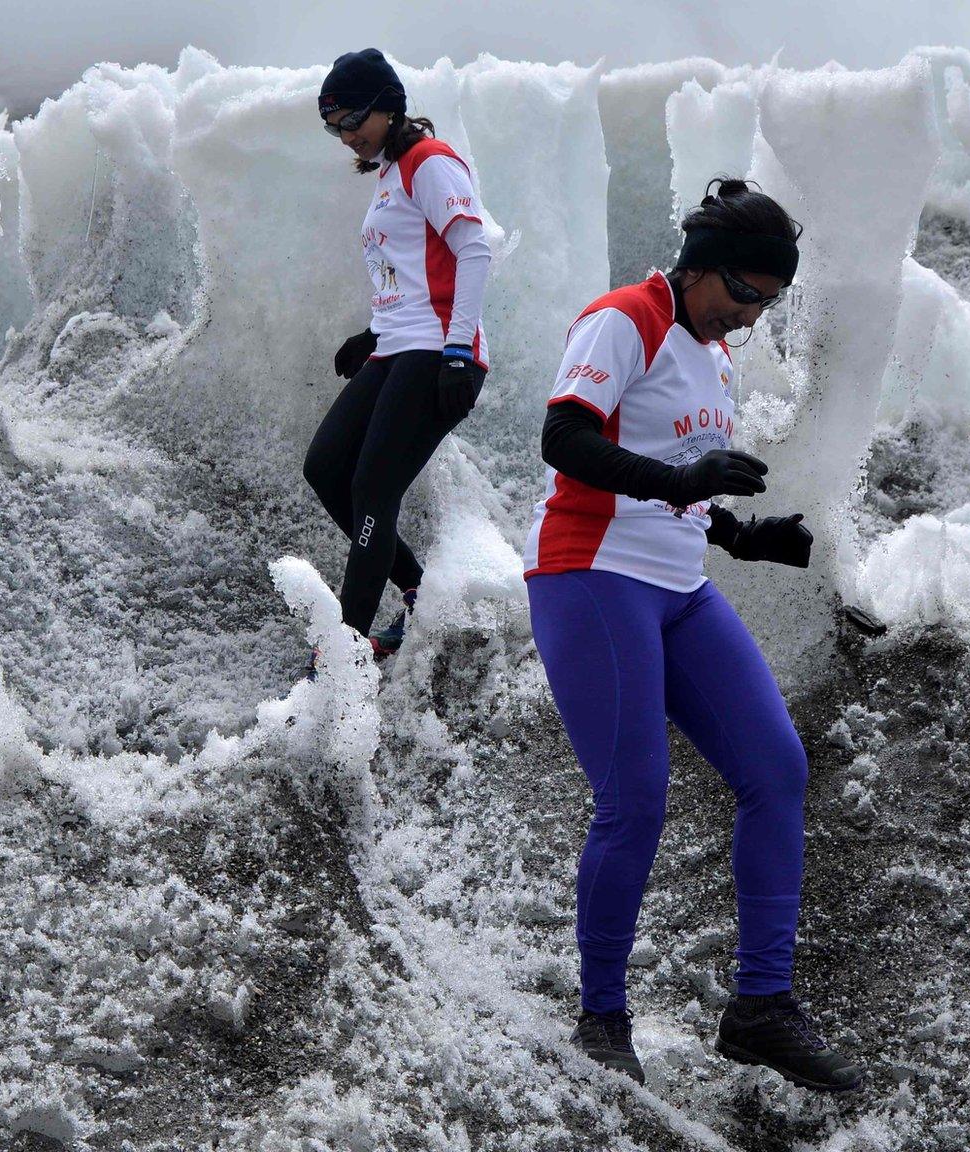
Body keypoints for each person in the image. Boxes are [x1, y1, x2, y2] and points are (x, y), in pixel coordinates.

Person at [522, 178, 864, 1094]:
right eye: (743, 295)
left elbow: (682, 483)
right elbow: (563, 438)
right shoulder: (623, 319)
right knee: (635, 800)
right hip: (591, 576)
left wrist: (743, 534)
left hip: (678, 587)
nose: (747, 318)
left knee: (777, 769)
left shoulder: (713, 357)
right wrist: (680, 479)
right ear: (701, 266)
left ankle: (760, 1008)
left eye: (768, 305)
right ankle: (601, 1019)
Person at [303, 48, 491, 664]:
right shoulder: (388, 172)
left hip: (438, 352)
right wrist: (372, 334)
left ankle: (346, 651)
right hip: (398, 345)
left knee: (373, 492)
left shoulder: (427, 163)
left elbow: (474, 252)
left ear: (389, 105)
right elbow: (410, 273)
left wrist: (459, 351)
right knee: (327, 468)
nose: (347, 134)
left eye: (354, 117)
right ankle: (416, 592)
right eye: (334, 125)